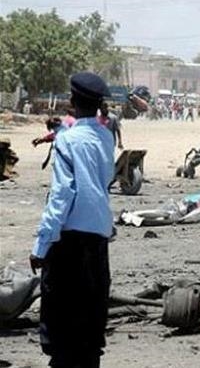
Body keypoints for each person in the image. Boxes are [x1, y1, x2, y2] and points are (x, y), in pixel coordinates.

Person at [30, 72, 115, 368]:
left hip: (69, 241)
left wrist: (41, 246)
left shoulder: (67, 140)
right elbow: (106, 181)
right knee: (91, 324)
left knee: (61, 327)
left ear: (72, 100)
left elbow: (62, 195)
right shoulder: (106, 137)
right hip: (99, 235)